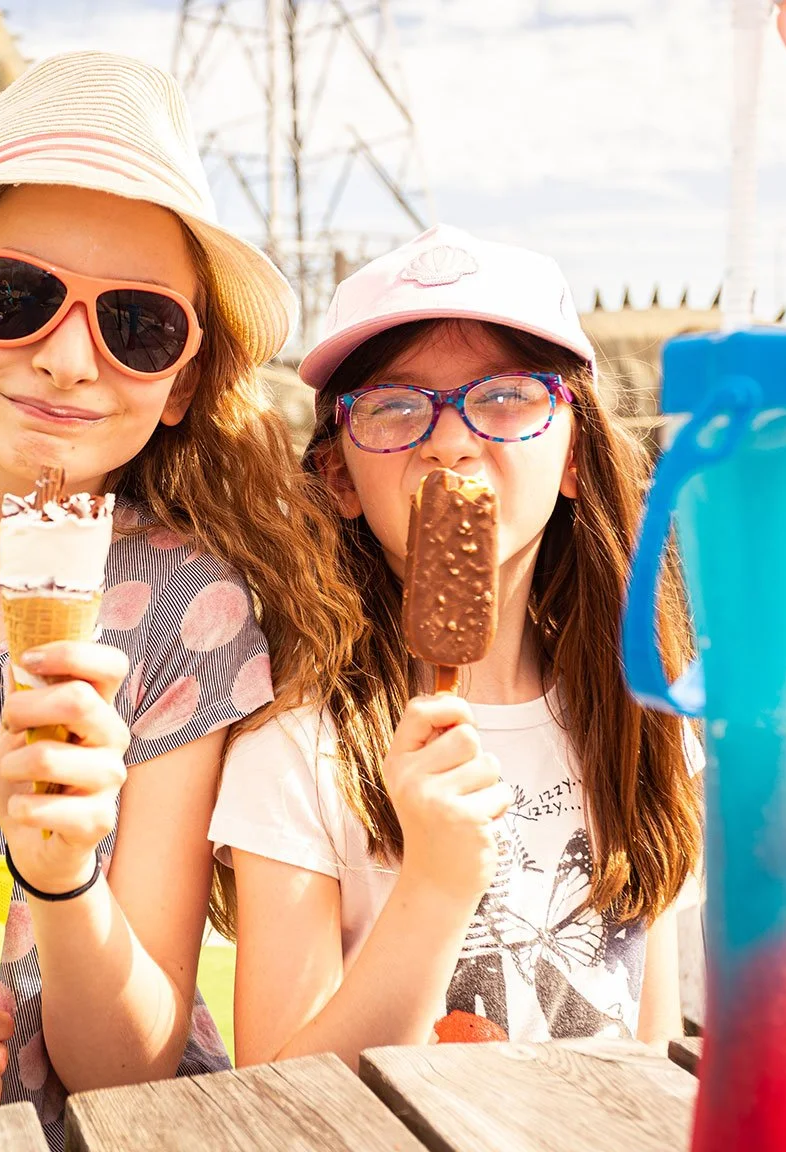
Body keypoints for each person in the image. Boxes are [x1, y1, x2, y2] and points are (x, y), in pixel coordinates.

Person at [0, 51, 347, 1147]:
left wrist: (63, 881)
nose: (66, 358)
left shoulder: (186, 612)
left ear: (182, 381)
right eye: (15, 297)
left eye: (137, 324)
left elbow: (128, 1070)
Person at [208, 225, 704, 1070]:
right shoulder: (295, 752)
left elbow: (654, 1050)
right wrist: (434, 887)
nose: (449, 439)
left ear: (575, 455)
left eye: (507, 396)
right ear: (339, 477)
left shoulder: (644, 719)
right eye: (395, 407)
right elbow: (280, 1100)